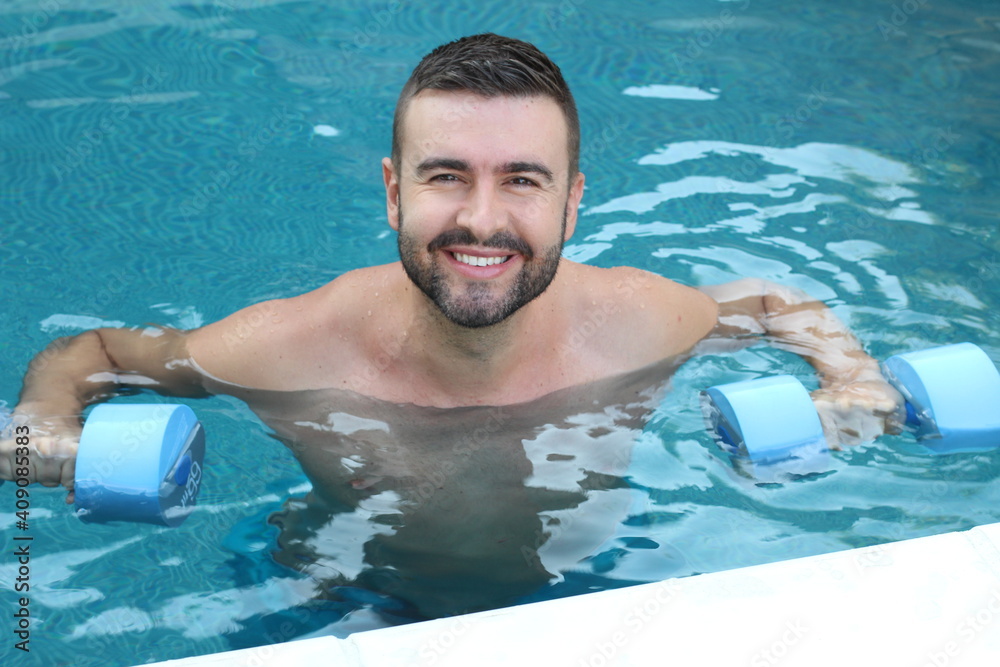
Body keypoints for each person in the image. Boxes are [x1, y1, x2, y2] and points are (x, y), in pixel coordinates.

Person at [0, 33, 902, 618]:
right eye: (444, 177)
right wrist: (41, 425)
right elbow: (97, 351)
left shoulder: (638, 321)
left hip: (586, 587)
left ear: (573, 204)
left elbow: (777, 304)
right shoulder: (291, 346)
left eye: (522, 179)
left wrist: (852, 377)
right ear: (393, 190)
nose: (481, 220)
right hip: (338, 594)